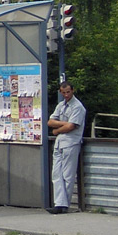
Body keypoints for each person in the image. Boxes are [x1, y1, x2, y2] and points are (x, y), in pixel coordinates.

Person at [46, 81, 86, 214]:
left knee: (67, 175)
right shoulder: (61, 105)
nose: (66, 95)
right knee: (56, 174)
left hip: (70, 143)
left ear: (72, 91)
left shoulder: (78, 107)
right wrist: (64, 123)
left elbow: (71, 126)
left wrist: (57, 130)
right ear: (60, 92)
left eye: (68, 92)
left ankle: (64, 204)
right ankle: (59, 203)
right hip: (59, 144)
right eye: (63, 92)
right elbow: (50, 121)